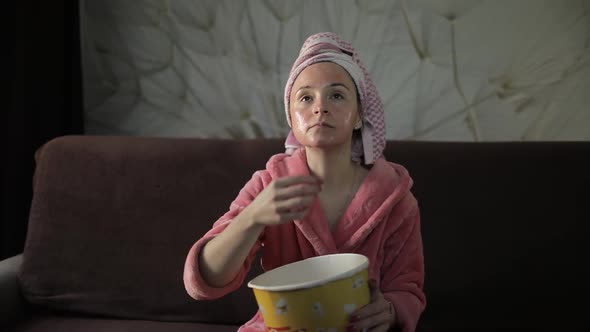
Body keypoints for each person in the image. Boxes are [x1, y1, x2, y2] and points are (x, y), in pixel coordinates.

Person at [184, 32, 425, 332]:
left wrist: (389, 310)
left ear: (360, 116)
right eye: (306, 97)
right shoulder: (269, 185)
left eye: (336, 95)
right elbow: (204, 282)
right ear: (291, 117)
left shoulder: (395, 198)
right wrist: (252, 218)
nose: (319, 107)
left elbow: (408, 288)